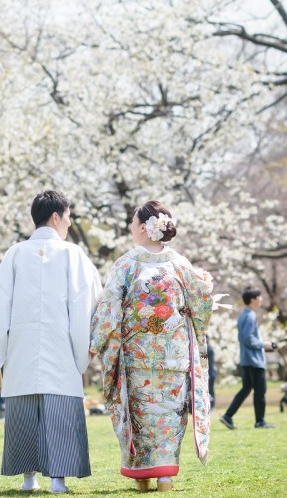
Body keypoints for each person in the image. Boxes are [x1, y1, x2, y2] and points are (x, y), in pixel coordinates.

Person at [0, 190, 102, 494]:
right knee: (60, 407)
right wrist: (89, 338)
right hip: (63, 340)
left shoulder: (15, 253)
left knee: (24, 407)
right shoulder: (73, 254)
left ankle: (28, 478)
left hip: (22, 341)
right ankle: (58, 481)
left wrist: (2, 342)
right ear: (56, 216)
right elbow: (90, 298)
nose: (69, 223)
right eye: (68, 217)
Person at [91, 200, 213, 492]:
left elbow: (109, 308)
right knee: (170, 413)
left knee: (142, 414)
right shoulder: (181, 264)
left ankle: (143, 476)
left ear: (145, 228)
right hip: (174, 357)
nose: (131, 229)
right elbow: (201, 303)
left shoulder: (126, 264)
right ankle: (165, 478)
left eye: (133, 224)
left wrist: (97, 342)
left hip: (138, 358)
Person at [219, 287, 275, 430]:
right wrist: (265, 345)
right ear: (252, 300)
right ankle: (260, 421)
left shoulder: (244, 314)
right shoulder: (250, 315)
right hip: (254, 360)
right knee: (260, 390)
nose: (261, 299)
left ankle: (227, 416)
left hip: (246, 359)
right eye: (259, 297)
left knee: (246, 389)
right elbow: (248, 339)